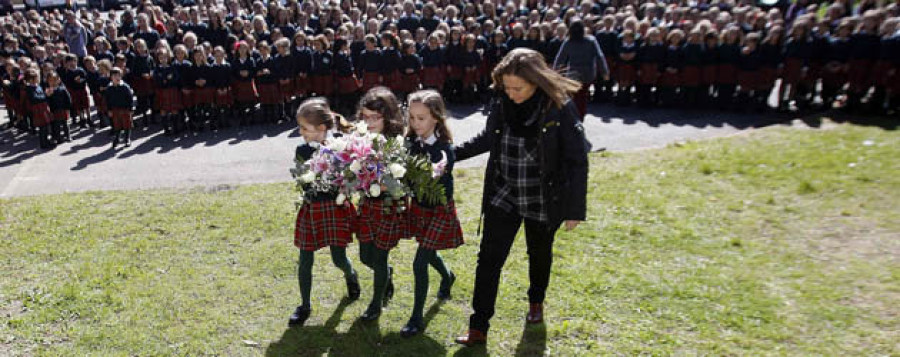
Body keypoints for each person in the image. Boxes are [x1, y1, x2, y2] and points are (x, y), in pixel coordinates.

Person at [454, 48, 588, 346]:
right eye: (507, 87)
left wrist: (575, 208)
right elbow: (488, 138)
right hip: (504, 192)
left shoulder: (559, 107)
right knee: (488, 260)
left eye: (519, 88)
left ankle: (535, 302)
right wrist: (452, 155)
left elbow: (577, 158)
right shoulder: (503, 101)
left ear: (536, 82)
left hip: (542, 195)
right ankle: (478, 327)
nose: (511, 93)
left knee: (538, 254)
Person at [289, 97, 361, 327]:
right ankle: (305, 305)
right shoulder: (301, 150)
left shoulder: (340, 143)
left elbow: (351, 174)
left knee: (338, 258)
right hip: (312, 208)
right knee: (305, 259)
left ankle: (350, 275)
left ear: (321, 128)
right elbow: (303, 179)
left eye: (304, 128)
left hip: (335, 207)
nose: (301, 132)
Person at [401, 89, 463, 338]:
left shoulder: (443, 150)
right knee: (429, 251)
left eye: (422, 118)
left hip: (438, 210)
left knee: (420, 262)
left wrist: (429, 173)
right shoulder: (410, 143)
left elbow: (439, 176)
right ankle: (448, 277)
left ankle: (416, 318)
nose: (416, 124)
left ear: (436, 117)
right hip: (419, 208)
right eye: (412, 118)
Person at [354, 86, 407, 321]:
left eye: (376, 117)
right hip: (367, 203)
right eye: (365, 117)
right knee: (366, 256)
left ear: (388, 116)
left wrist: (384, 184)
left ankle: (375, 304)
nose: (370, 121)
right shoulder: (359, 140)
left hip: (387, 205)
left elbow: (401, 181)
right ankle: (386, 274)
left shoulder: (396, 143)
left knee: (380, 254)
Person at [552, 19, 609, 119]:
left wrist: (555, 72)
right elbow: (600, 56)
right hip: (588, 73)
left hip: (573, 74)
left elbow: (560, 59)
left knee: (575, 96)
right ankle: (580, 115)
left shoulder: (568, 42)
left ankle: (574, 116)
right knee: (583, 96)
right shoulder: (591, 41)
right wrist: (605, 72)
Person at [23, 69, 54, 149]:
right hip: (38, 109)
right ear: (31, 80)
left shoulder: (38, 85)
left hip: (43, 108)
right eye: (37, 77)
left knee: (46, 125)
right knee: (42, 127)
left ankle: (47, 140)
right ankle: (43, 143)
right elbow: (34, 99)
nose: (39, 78)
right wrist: (45, 95)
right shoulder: (29, 88)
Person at [105, 67, 135, 148]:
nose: (117, 78)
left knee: (127, 124)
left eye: (119, 75)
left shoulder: (125, 87)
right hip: (115, 109)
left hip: (125, 109)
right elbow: (107, 100)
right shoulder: (109, 88)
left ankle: (127, 139)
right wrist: (109, 110)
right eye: (115, 76)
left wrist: (131, 108)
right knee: (117, 124)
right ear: (111, 77)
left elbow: (130, 98)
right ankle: (117, 138)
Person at [46, 72, 73, 144]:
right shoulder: (49, 91)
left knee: (65, 123)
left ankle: (68, 136)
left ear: (59, 80)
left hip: (63, 109)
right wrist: (48, 96)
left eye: (55, 80)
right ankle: (58, 137)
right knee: (56, 124)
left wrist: (68, 107)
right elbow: (47, 101)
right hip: (54, 110)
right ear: (48, 82)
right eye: (51, 81)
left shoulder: (62, 89)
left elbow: (68, 98)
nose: (53, 82)